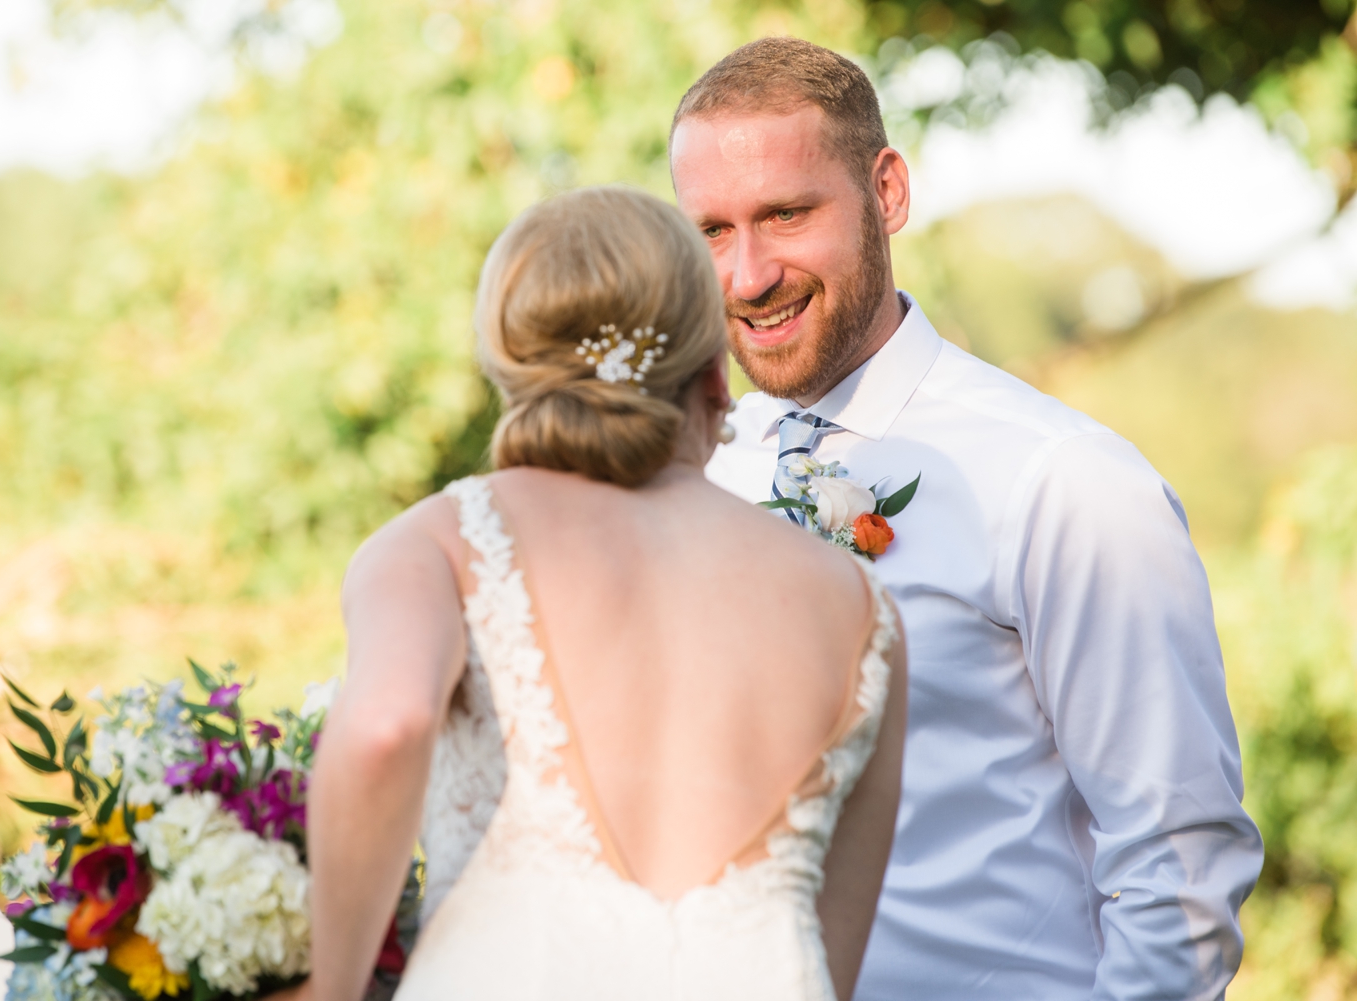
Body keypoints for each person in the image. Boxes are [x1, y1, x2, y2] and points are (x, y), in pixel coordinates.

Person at [672, 37, 1265, 1000]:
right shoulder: (697, 473)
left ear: (888, 192)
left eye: (785, 214)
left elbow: (1179, 869)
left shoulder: (1064, 483)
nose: (746, 276)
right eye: (711, 230)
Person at [292, 186, 909, 1001]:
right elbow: (832, 950)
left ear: (507, 365)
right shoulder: (860, 606)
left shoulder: (440, 541)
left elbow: (384, 727)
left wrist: (328, 990)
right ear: (716, 371)